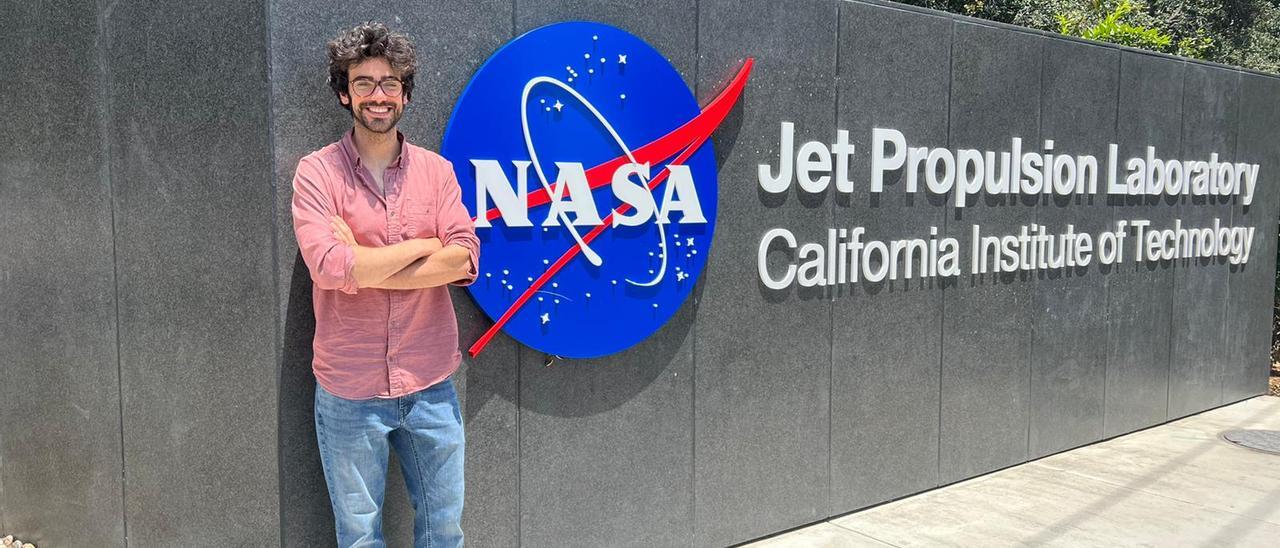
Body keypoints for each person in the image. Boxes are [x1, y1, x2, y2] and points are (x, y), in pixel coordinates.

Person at [290, 21, 478, 548]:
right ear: (345, 92)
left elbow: (464, 258)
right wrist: (423, 247)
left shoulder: (437, 173)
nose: (379, 95)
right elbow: (327, 265)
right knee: (358, 536)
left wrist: (366, 260)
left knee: (443, 531)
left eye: (390, 83)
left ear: (406, 93)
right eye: (365, 82)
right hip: (349, 390)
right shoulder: (317, 174)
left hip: (430, 383)